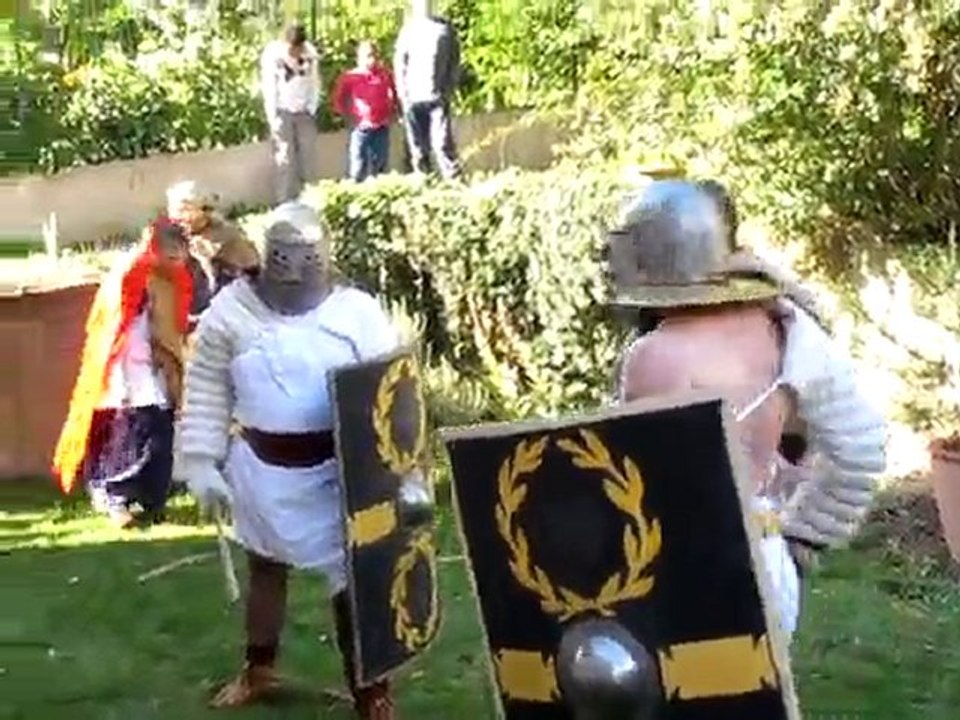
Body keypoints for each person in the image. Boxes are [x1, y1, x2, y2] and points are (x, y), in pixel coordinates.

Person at [608, 180, 887, 638]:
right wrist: (802, 538)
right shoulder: (782, 325)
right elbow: (860, 447)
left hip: (679, 569)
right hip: (768, 562)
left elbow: (633, 487)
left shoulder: (653, 355)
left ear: (648, 255)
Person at [174, 202, 400, 718]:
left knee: (355, 583)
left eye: (306, 259)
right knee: (266, 569)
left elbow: (392, 398)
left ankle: (372, 691)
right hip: (262, 467)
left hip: (340, 475)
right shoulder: (233, 312)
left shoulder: (356, 314)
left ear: (323, 258)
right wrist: (203, 463)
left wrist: (399, 474)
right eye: (284, 258)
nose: (295, 271)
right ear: (268, 255)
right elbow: (208, 386)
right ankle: (259, 669)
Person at [52, 218, 193, 528]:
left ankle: (152, 498)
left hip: (153, 366)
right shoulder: (129, 277)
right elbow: (117, 327)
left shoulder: (168, 278)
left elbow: (171, 322)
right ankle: (116, 497)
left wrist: (168, 357)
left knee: (158, 432)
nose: (178, 263)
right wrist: (127, 374)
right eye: (172, 256)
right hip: (125, 368)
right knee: (127, 433)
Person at [166, 180, 260, 324]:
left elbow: (251, 271)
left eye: (184, 210)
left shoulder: (223, 236)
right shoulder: (179, 235)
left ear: (204, 210)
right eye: (174, 210)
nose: (175, 217)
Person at [394, 0, 461, 179]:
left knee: (442, 143)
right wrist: (403, 94)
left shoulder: (444, 29)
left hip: (437, 96)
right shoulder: (408, 32)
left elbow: (454, 61)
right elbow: (400, 64)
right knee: (417, 147)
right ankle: (424, 180)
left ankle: (454, 181)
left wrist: (448, 89)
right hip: (413, 97)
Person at [260, 23, 322, 202]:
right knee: (285, 159)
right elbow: (269, 86)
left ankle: (310, 200)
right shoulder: (273, 55)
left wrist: (312, 107)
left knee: (308, 158)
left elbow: (315, 82)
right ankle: (284, 202)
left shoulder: (309, 53)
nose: (296, 53)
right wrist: (273, 115)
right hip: (282, 111)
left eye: (298, 48)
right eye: (292, 49)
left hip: (304, 111)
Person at [332, 40, 397, 182]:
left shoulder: (384, 75)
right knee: (358, 163)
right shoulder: (351, 77)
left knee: (380, 162)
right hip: (360, 127)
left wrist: (392, 113)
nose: (372, 60)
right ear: (359, 58)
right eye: (368, 56)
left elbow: (393, 94)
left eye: (374, 56)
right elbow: (339, 99)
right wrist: (347, 117)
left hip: (381, 125)